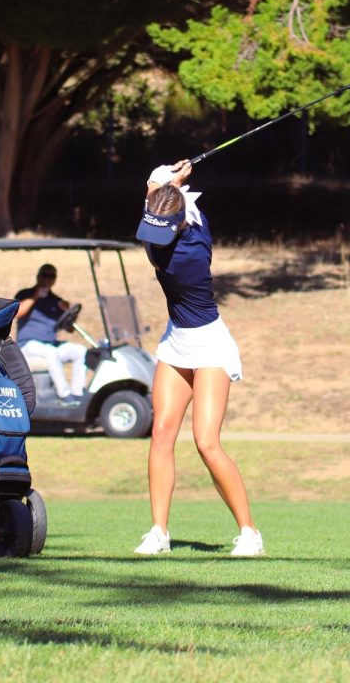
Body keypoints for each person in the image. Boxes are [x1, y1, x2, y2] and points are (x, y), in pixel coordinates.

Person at [132, 159, 263, 557]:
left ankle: (249, 534)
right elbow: (157, 192)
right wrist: (175, 177)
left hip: (209, 344)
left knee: (206, 442)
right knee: (161, 435)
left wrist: (169, 177)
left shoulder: (183, 251)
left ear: (177, 223)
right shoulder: (181, 223)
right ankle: (158, 532)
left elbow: (155, 188)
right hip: (176, 342)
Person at [14, 264, 87, 406]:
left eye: (51, 276)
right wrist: (35, 296)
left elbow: (70, 329)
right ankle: (64, 395)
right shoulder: (25, 294)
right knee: (51, 353)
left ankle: (78, 393)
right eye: (44, 275)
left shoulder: (56, 300)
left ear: (55, 280)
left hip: (50, 343)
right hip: (28, 345)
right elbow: (18, 313)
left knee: (80, 351)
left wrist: (68, 312)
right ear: (38, 276)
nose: (47, 279)